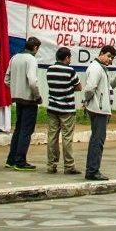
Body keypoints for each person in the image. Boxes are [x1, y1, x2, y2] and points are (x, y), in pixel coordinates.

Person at [82, 44, 116, 181]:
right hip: (98, 109)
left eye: (112, 58)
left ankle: (92, 169)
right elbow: (90, 89)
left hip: (100, 109)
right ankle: (92, 170)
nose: (110, 60)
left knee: (96, 140)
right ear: (101, 53)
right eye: (108, 56)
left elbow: (109, 87)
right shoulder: (96, 68)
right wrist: (87, 101)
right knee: (97, 141)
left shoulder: (102, 69)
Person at [4, 37, 42, 171]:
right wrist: (37, 96)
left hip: (17, 98)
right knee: (26, 131)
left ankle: (11, 159)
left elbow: (6, 79)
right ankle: (20, 161)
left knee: (18, 129)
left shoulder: (14, 58)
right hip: (29, 99)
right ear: (35, 48)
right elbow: (32, 81)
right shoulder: (31, 60)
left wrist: (16, 88)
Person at [45, 47, 82, 175]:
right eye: (70, 57)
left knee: (52, 137)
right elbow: (79, 87)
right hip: (67, 109)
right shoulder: (70, 71)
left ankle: (51, 165)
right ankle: (69, 166)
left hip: (52, 108)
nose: (70, 60)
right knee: (67, 138)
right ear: (66, 57)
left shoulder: (49, 70)